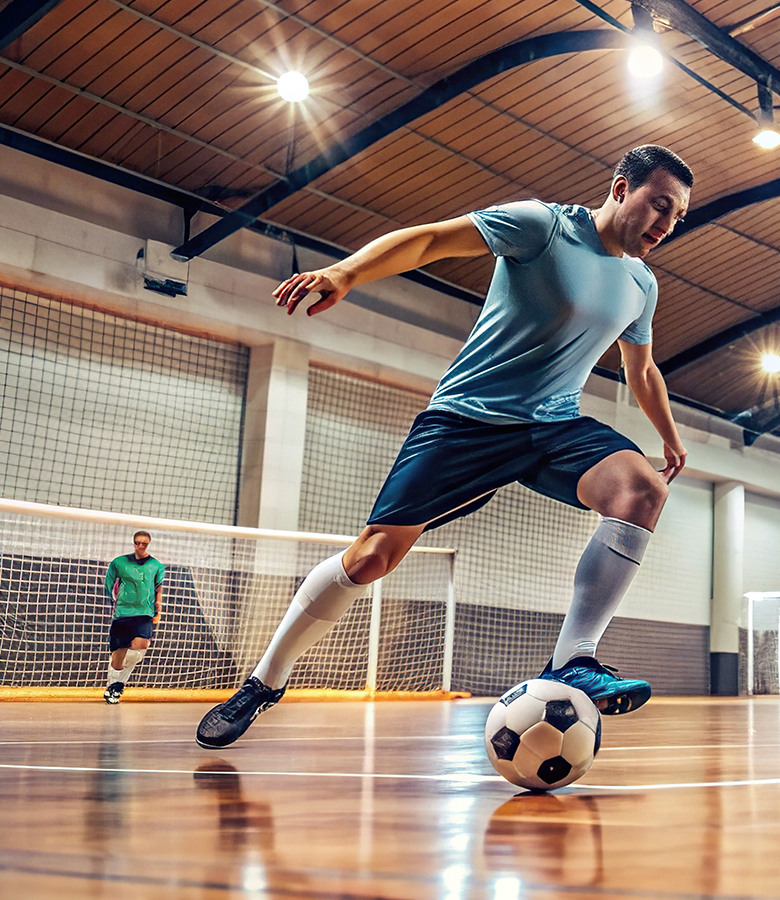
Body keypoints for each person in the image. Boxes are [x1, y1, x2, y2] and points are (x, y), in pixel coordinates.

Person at [196, 145, 693, 748]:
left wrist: (668, 438)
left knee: (643, 489)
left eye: (677, 217)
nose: (667, 224)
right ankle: (263, 681)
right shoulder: (543, 226)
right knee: (371, 559)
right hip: (467, 421)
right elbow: (430, 240)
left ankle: (573, 660)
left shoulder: (642, 283)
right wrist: (346, 273)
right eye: (660, 205)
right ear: (621, 189)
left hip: (552, 425)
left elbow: (640, 370)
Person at [104, 530, 164, 703]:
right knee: (119, 654)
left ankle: (117, 685)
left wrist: (157, 611)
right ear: (134, 543)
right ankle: (113, 686)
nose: (140, 546)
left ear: (148, 544)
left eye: (144, 543)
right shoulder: (119, 563)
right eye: (137, 543)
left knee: (140, 646)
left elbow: (158, 588)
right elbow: (109, 584)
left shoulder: (156, 566)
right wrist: (113, 603)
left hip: (144, 613)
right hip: (123, 613)